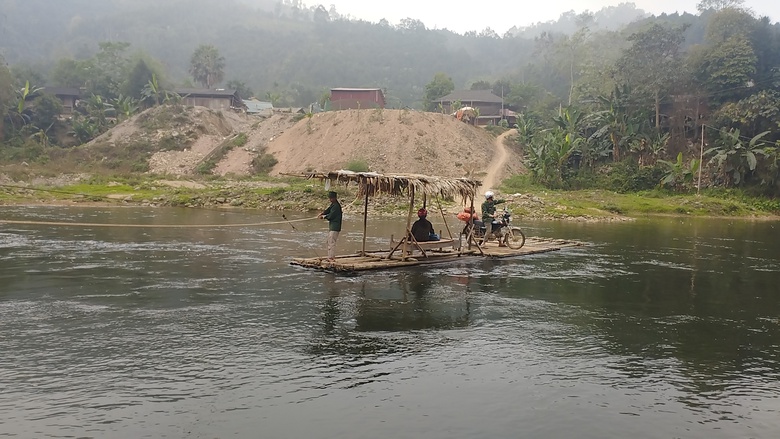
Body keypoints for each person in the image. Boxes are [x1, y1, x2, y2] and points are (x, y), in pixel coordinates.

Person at [319, 191, 342, 261]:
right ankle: (330, 256)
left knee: (331, 242)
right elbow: (329, 210)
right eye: (330, 198)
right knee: (329, 241)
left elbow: (331, 216)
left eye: (331, 198)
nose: (330, 199)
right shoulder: (333, 205)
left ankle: (331, 258)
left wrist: (323, 217)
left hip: (335, 227)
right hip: (332, 227)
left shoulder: (336, 206)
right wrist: (323, 213)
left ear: (335, 198)